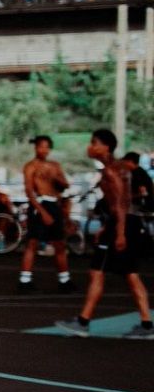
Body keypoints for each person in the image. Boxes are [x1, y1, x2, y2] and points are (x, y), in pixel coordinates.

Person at [56, 129, 154, 339]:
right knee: (128, 274)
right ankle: (146, 325)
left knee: (99, 271)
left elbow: (121, 202)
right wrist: (108, 227)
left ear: (106, 147)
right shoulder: (116, 168)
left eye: (94, 143)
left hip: (123, 223)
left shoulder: (111, 170)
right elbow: (120, 201)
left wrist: (119, 232)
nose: (90, 147)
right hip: (124, 222)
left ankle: (83, 322)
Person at [19, 135, 72, 291]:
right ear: (36, 148)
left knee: (60, 243)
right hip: (40, 204)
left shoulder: (55, 165)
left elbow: (65, 185)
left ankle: (64, 281)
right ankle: (24, 281)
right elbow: (29, 192)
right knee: (32, 243)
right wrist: (42, 212)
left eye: (47, 147)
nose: (44, 150)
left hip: (55, 204)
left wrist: (56, 178)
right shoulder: (30, 166)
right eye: (41, 146)